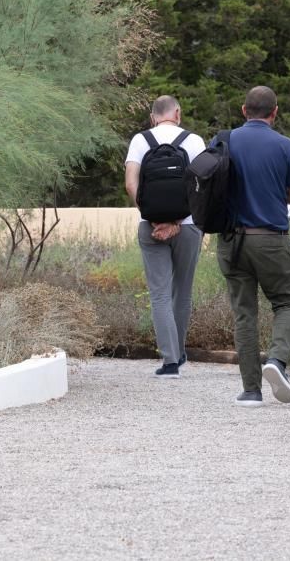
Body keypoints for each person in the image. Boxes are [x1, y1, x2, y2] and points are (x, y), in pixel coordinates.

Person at [216, 86, 290, 407]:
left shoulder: (223, 140)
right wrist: (272, 191)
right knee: (286, 303)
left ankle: (251, 391)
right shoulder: (285, 146)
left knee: (245, 314)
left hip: (231, 242)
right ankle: (277, 361)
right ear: (275, 112)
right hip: (270, 239)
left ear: (244, 110)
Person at [125, 95, 206, 378]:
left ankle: (170, 362)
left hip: (150, 227)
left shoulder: (140, 140)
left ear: (153, 118)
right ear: (178, 113)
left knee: (159, 295)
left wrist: (154, 217)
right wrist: (177, 221)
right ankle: (180, 353)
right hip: (189, 226)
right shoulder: (194, 141)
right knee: (181, 293)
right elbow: (201, 187)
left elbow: (130, 183)